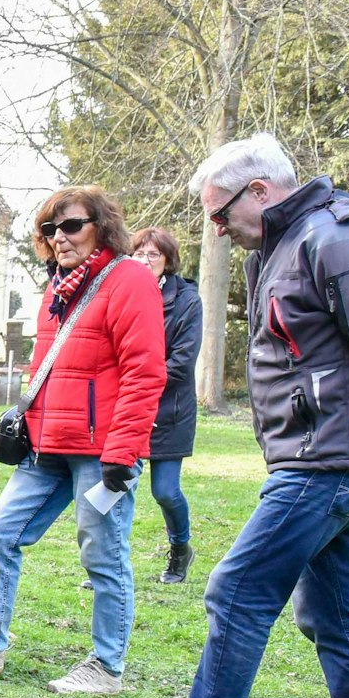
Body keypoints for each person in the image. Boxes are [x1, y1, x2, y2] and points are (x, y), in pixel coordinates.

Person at [112, 134, 349, 698]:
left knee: (237, 589)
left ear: (261, 190)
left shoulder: (332, 236)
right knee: (334, 608)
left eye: (221, 213)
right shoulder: (289, 243)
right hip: (330, 452)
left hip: (333, 457)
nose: (218, 230)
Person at [0, 186, 165, 694]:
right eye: (49, 229)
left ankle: (106, 666)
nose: (59, 238)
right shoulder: (58, 288)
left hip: (100, 450)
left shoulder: (129, 279)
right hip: (47, 446)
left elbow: (144, 372)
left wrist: (123, 450)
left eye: (71, 226)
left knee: (102, 554)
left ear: (101, 225)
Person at [131, 227, 203, 583]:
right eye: (139, 254)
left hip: (169, 409)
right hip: (127, 407)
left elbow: (182, 361)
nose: (145, 261)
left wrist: (139, 381)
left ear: (167, 261)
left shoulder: (187, 300)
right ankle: (108, 563)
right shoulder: (123, 293)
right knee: (116, 486)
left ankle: (180, 550)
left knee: (165, 490)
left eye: (153, 255)